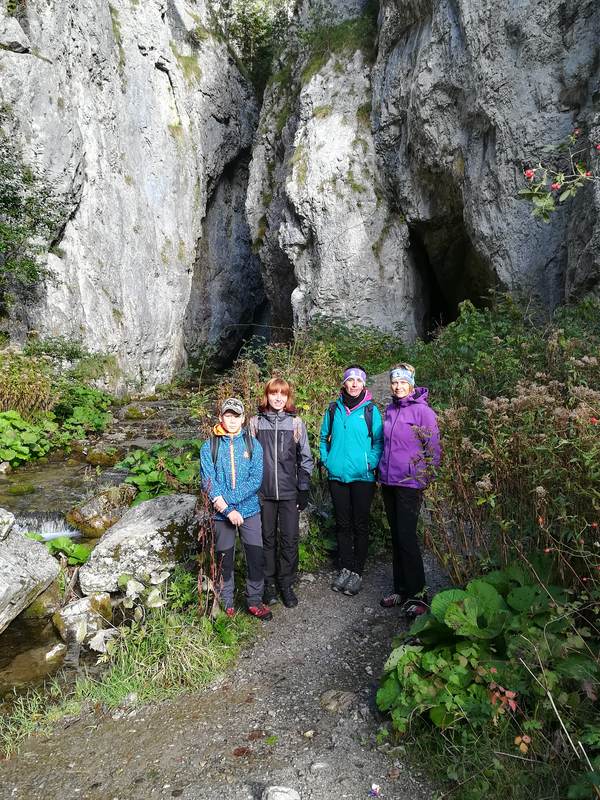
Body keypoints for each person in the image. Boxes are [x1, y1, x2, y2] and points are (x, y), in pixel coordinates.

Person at [200, 397, 272, 621]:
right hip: (221, 515)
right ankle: (226, 602)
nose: (232, 420)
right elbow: (208, 482)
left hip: (249, 511)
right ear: (221, 417)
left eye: (236, 416)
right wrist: (227, 510)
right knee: (225, 559)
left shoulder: (253, 445)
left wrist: (231, 504)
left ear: (243, 419)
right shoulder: (209, 446)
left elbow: (255, 480)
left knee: (255, 556)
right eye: (228, 415)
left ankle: (254, 601)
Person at [378, 363, 441, 618]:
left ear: (411, 384)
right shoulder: (390, 409)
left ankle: (419, 596)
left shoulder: (423, 412)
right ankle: (401, 590)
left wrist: (425, 478)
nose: (398, 386)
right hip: (389, 482)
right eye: (394, 382)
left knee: (407, 537)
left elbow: (433, 448)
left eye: (403, 382)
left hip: (410, 483)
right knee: (396, 536)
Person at [249, 377, 314, 608]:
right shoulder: (255, 423)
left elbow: (305, 458)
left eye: (282, 394)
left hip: (289, 492)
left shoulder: (295, 423)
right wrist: (251, 490)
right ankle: (268, 584)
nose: (278, 398)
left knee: (289, 539)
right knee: (266, 539)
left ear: (288, 397)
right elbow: (247, 459)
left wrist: (303, 488)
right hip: (263, 494)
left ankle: (286, 583)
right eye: (273, 393)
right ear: (266, 395)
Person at [319, 365, 383, 596]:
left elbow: (378, 442)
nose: (354, 384)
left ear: (363, 384)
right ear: (344, 383)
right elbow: (323, 438)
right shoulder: (333, 409)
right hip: (337, 476)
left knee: (360, 524)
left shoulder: (371, 410)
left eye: (358, 380)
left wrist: (369, 463)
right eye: (350, 380)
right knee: (343, 524)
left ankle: (357, 571)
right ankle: (345, 567)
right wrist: (327, 460)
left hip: (363, 477)